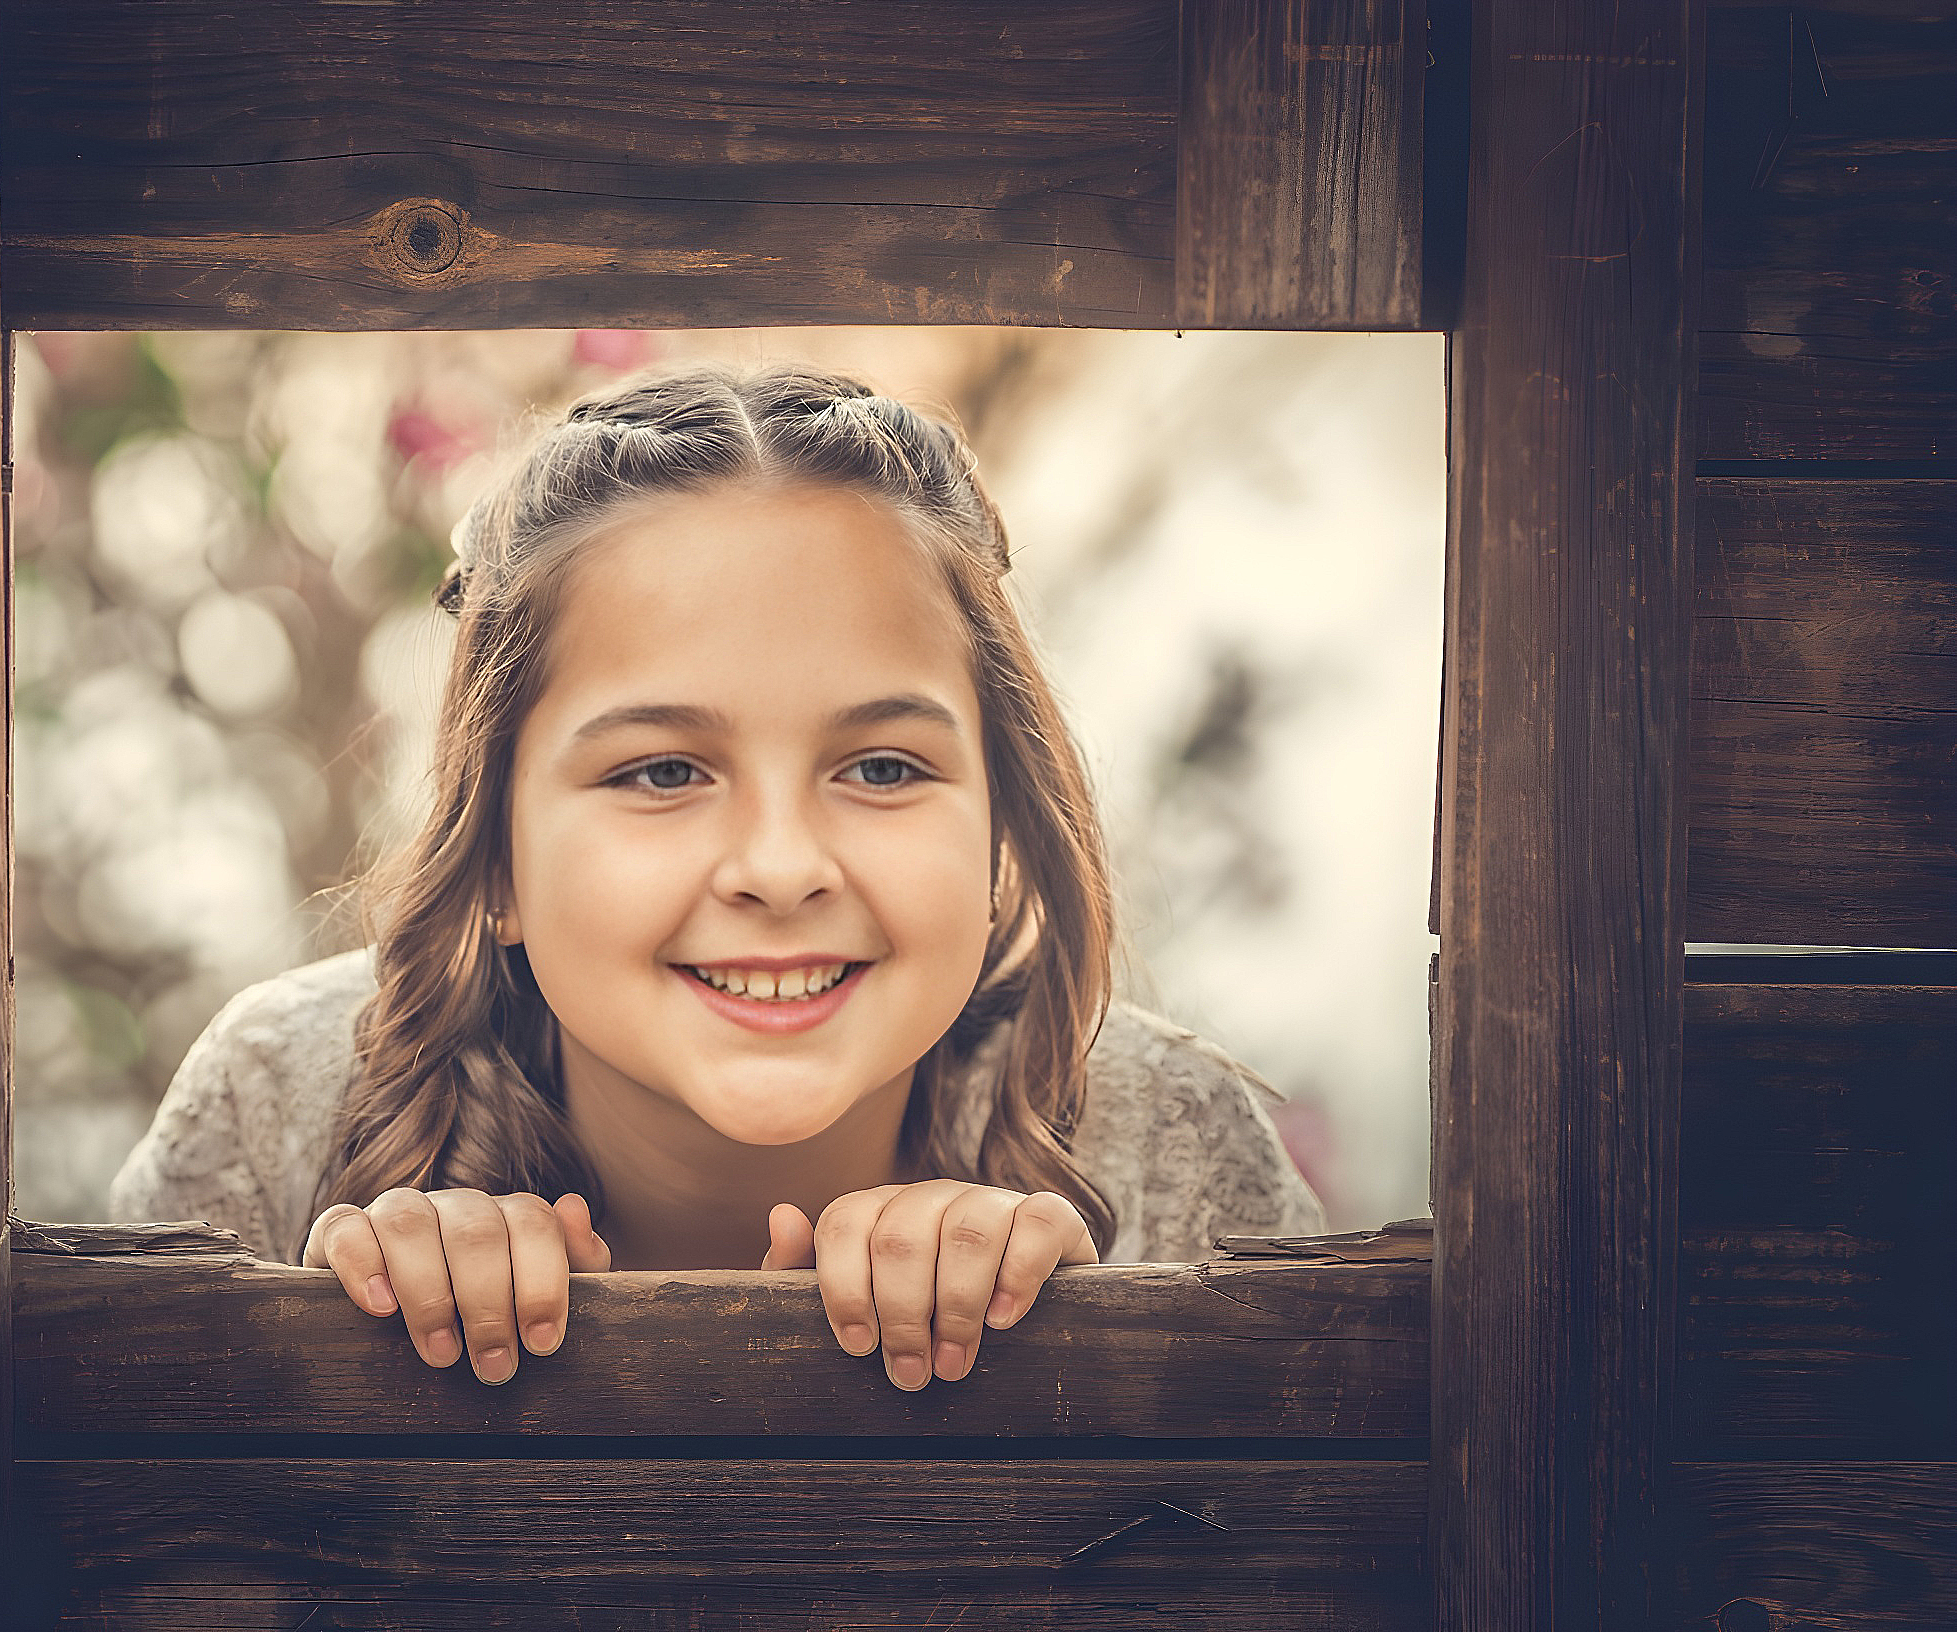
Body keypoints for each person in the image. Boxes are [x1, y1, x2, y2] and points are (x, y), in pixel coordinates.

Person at [108, 361, 1322, 1393]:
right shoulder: (282, 1108)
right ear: (495, 857)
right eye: (661, 773)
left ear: (1001, 832)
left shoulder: (1159, 1145)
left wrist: (1064, 1372)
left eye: (885, 767)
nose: (780, 867)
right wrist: (341, 1376)